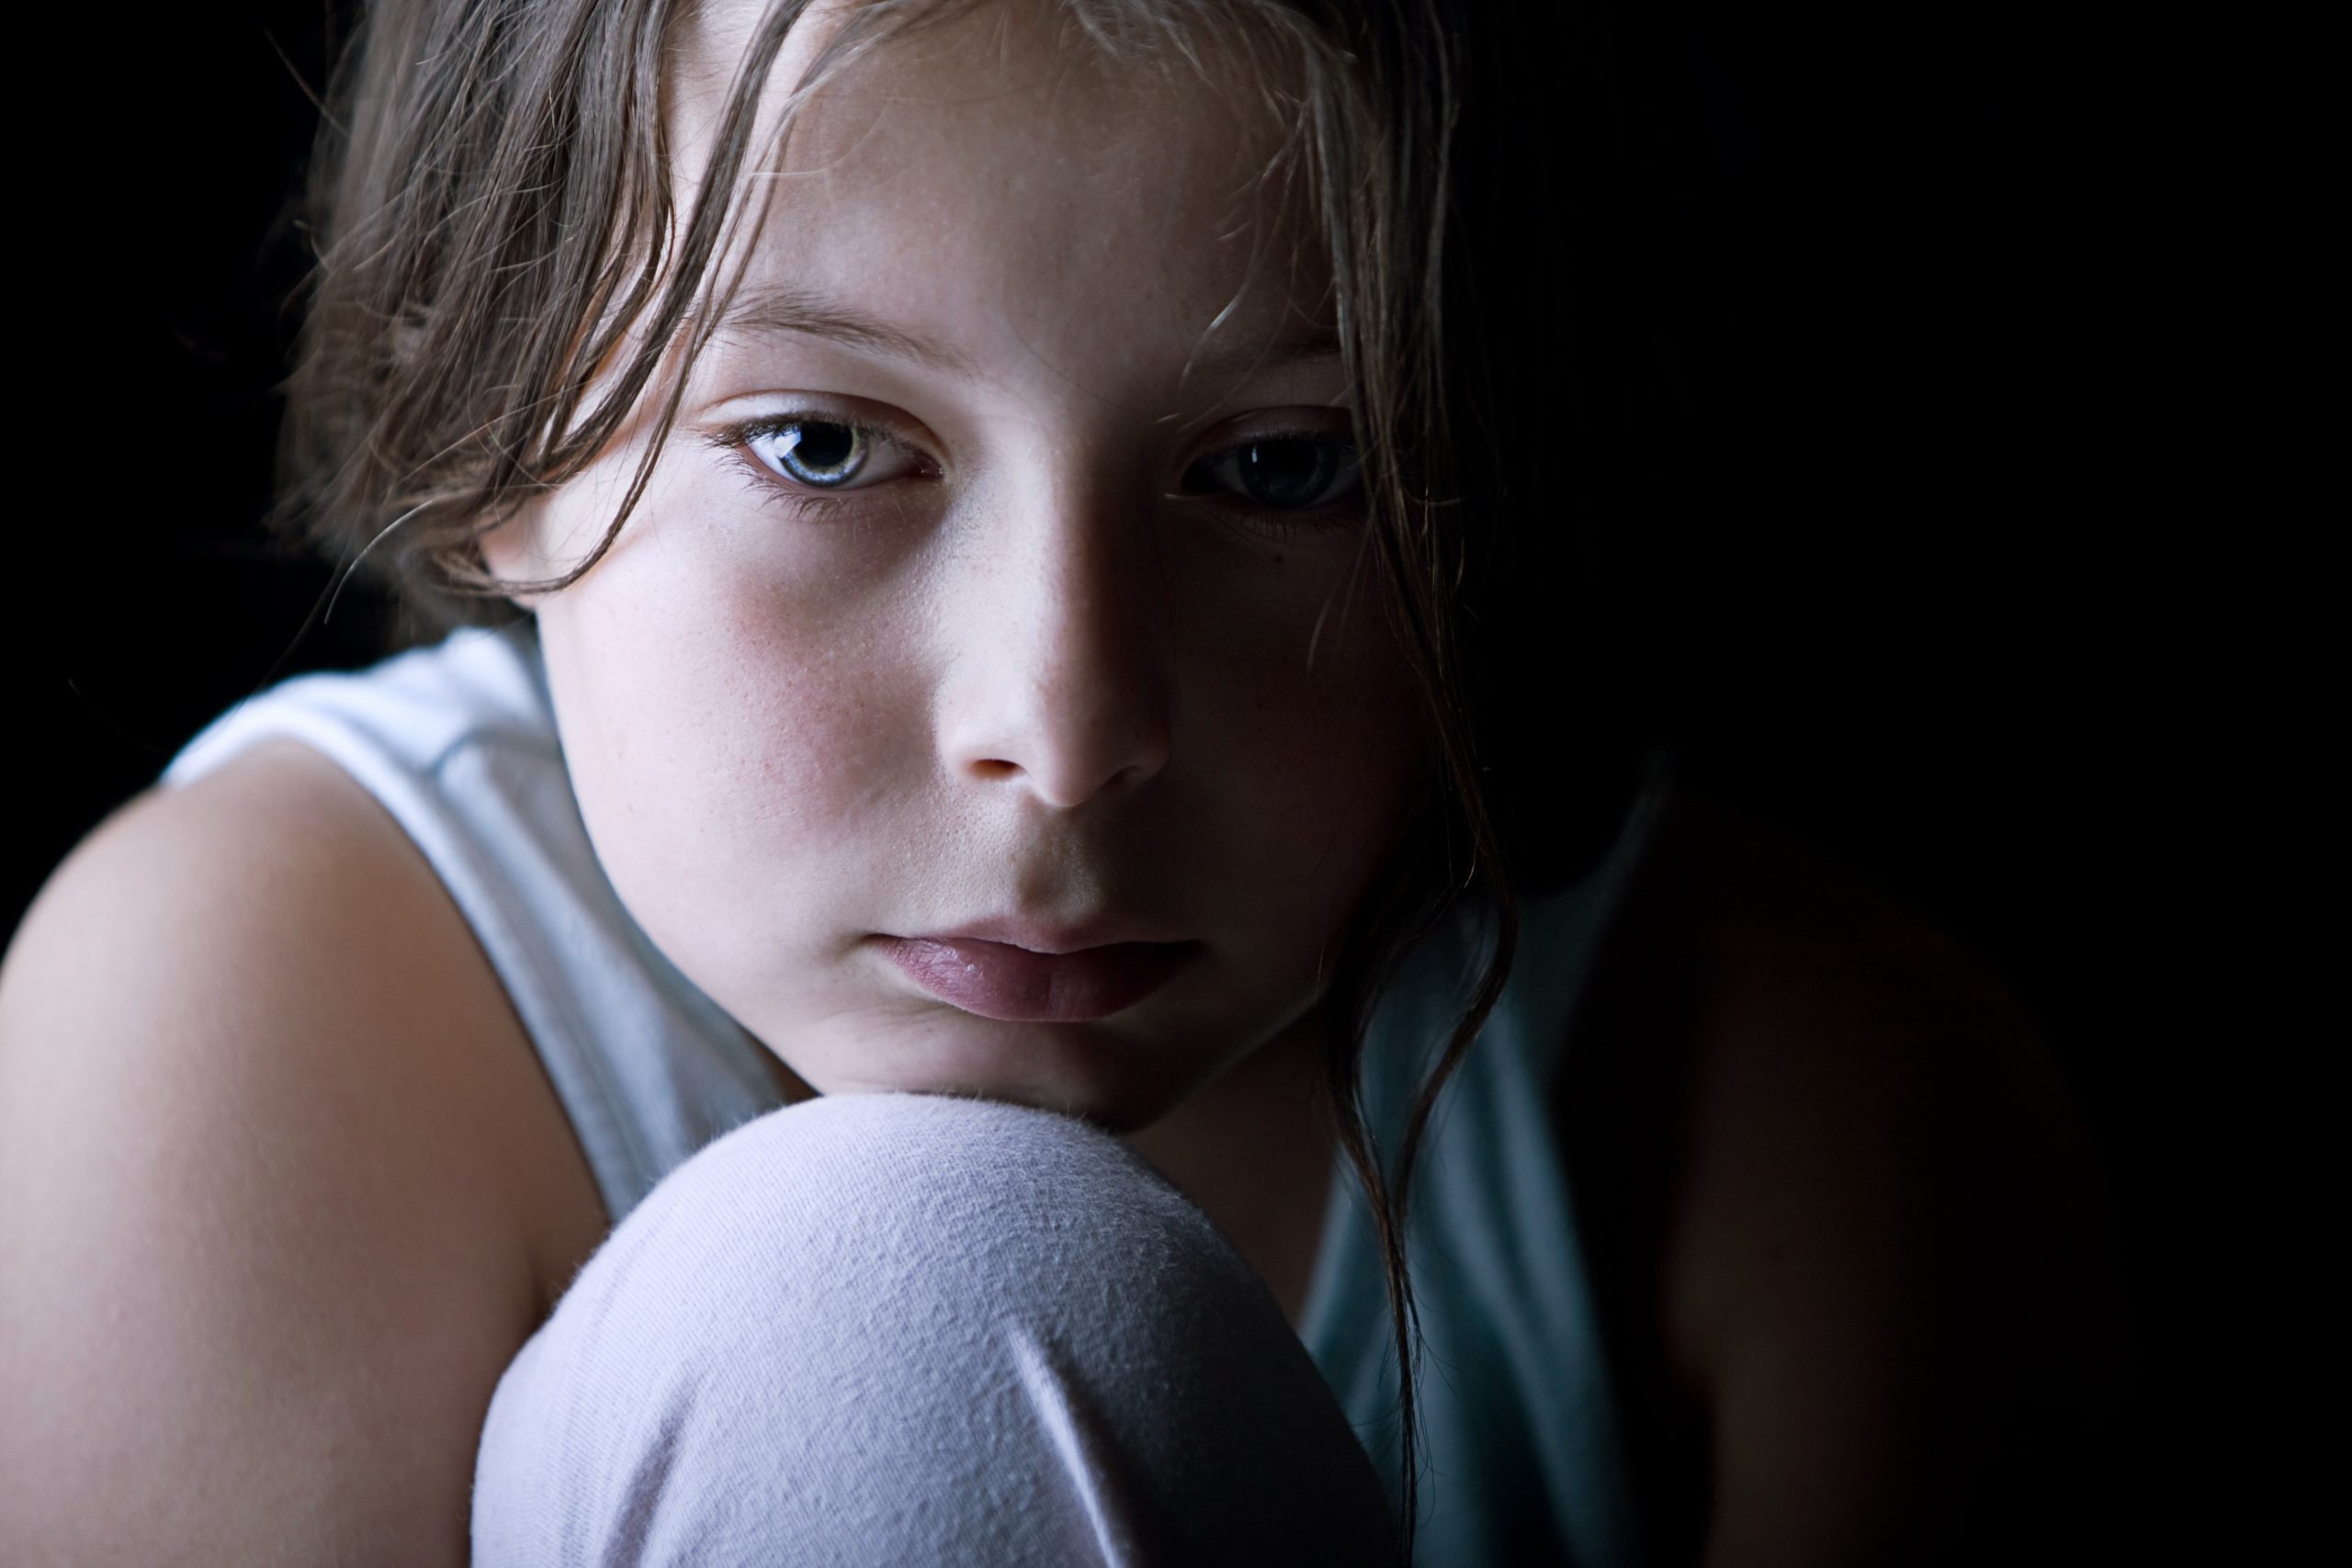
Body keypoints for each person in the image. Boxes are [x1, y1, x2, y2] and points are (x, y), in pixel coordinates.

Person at [0, 0, 2120, 1562]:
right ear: (502, 417)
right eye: (824, 445)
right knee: (882, 1295)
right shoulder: (256, 1008)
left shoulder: (1795, 1119)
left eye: (1283, 469)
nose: (1067, 716)